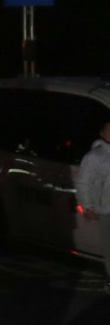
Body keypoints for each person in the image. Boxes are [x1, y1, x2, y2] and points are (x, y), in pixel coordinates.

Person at [74, 117, 110, 292]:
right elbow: (83, 182)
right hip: (106, 211)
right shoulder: (94, 157)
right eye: (109, 130)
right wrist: (87, 206)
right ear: (102, 133)